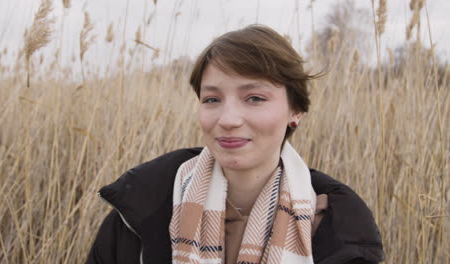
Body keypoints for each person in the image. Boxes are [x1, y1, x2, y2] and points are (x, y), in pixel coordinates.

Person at [86, 25, 385, 264]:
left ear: (295, 111)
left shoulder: (334, 228)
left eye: (254, 98)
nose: (228, 119)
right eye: (212, 99)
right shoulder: (142, 207)